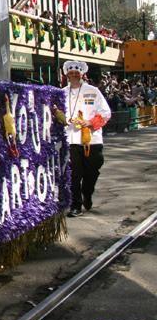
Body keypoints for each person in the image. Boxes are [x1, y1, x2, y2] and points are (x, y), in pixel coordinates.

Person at [62, 61, 111, 217]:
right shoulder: (62, 92)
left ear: (82, 74)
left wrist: (90, 122)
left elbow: (106, 113)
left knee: (92, 172)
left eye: (77, 73)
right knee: (74, 174)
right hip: (71, 140)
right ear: (67, 75)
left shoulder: (93, 91)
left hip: (91, 140)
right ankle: (75, 205)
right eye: (71, 73)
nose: (74, 75)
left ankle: (87, 193)